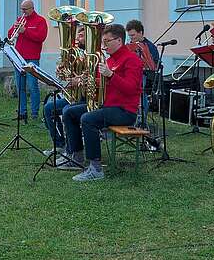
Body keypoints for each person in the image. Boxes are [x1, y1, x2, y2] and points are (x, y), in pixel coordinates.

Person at [59, 24, 143, 182]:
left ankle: (95, 169)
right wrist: (83, 80)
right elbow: (101, 81)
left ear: (119, 41)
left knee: (87, 119)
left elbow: (131, 88)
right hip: (107, 105)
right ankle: (76, 156)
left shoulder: (132, 60)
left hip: (124, 111)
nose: (103, 46)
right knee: (69, 112)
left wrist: (111, 75)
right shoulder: (110, 60)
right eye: (103, 42)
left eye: (107, 41)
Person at [42, 24, 86, 157]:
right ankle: (59, 145)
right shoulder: (74, 52)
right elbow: (67, 73)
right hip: (73, 95)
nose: (79, 38)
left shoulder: (94, 54)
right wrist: (62, 70)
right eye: (78, 34)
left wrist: (79, 80)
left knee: (68, 111)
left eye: (82, 35)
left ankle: (73, 149)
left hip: (86, 97)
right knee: (49, 108)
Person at [7, 0, 48, 122]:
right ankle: (22, 112)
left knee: (32, 86)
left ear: (32, 8)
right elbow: (10, 35)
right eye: (21, 9)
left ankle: (34, 113)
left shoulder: (40, 21)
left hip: (32, 58)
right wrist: (15, 28)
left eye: (25, 9)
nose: (23, 12)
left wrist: (25, 31)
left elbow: (40, 37)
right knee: (20, 87)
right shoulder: (20, 20)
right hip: (19, 57)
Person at [125, 19, 159, 124]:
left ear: (140, 33)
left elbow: (155, 65)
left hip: (145, 75)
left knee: (138, 89)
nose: (131, 38)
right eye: (130, 36)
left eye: (133, 35)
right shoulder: (129, 46)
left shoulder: (150, 46)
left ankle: (141, 119)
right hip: (130, 74)